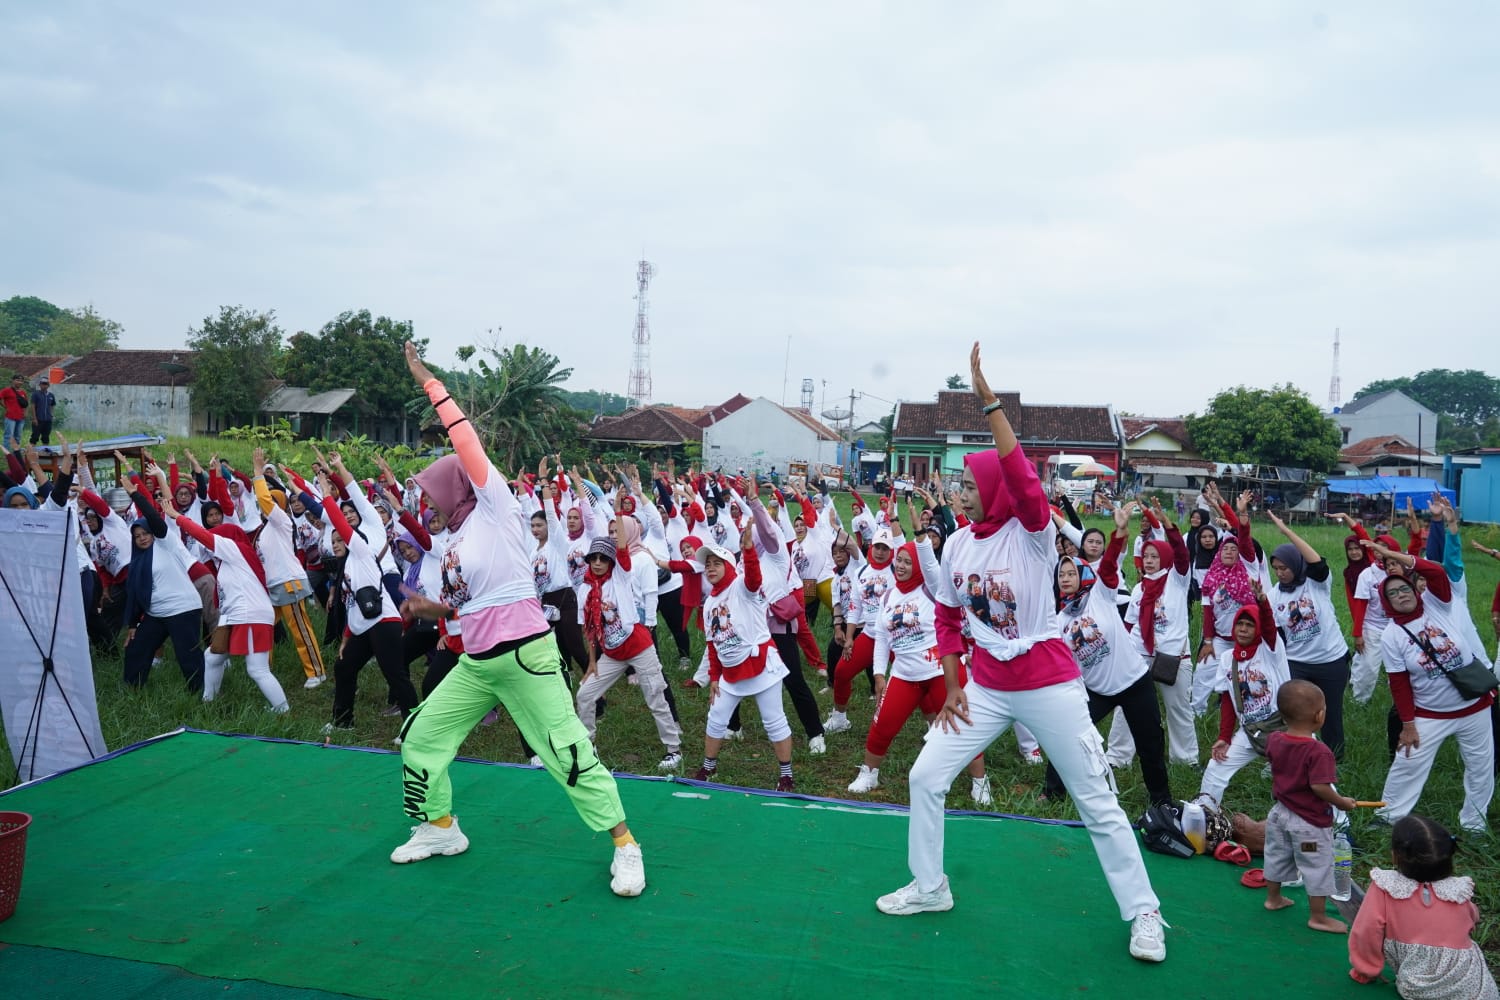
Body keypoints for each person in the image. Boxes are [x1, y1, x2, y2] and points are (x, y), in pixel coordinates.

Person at [875, 343, 1166, 966]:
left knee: (1098, 800)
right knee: (925, 777)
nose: (963, 491)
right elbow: (950, 618)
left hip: (1051, 684)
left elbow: (1020, 473)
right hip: (983, 688)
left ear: (993, 490)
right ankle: (930, 888)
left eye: (971, 484)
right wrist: (953, 684)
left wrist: (988, 402)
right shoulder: (955, 546)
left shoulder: (1031, 533)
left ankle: (1145, 912)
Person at [391, 342, 647, 896]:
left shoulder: (497, 509)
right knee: (420, 739)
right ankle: (440, 828)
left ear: (453, 486)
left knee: (569, 755)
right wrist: (426, 607)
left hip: (528, 658)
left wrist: (428, 382)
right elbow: (468, 604)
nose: (425, 504)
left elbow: (464, 439)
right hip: (477, 663)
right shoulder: (456, 537)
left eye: (428, 493)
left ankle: (626, 847)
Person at [1044, 503, 1172, 810]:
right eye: (1061, 573)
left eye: (1071, 572)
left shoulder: (1100, 593)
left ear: (1083, 574)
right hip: (1096, 690)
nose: (1065, 577)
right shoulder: (1058, 620)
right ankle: (1051, 792)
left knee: (1150, 743)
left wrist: (1120, 531)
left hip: (1134, 682)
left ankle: (1161, 800)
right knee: (1069, 736)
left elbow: (1111, 562)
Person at [847, 537, 992, 805]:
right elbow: (881, 637)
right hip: (904, 673)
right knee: (882, 725)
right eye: (898, 560)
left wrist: (919, 535)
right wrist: (879, 674)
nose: (900, 566)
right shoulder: (889, 595)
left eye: (907, 562)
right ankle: (869, 774)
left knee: (963, 725)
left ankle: (980, 782)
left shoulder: (932, 589)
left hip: (941, 672)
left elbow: (931, 565)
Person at [1369, 540, 1494, 834]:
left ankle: (1475, 824)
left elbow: (1435, 573)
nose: (1400, 595)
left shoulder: (1439, 605)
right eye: (1393, 593)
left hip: (1473, 706)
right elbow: (1399, 684)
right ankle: (1388, 817)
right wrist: (1409, 724)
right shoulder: (1392, 635)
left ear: (1415, 590)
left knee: (1480, 767)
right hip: (1431, 713)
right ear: (1387, 602)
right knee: (1407, 762)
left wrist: (1392, 556)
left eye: (1404, 589)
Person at [1348, 815, 1498, 998]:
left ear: (1395, 855)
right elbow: (1472, 916)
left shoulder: (1386, 887)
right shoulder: (1457, 890)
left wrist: (1366, 970)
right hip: (1473, 985)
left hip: (1421, 987)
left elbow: (1367, 931)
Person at [690, 535, 798, 790]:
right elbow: (712, 645)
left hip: (762, 665)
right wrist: (713, 678)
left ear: (728, 566)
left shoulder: (741, 587)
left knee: (773, 720)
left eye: (717, 563)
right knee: (716, 717)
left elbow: (753, 577)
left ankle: (786, 775)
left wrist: (748, 550)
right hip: (730, 672)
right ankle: (709, 767)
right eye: (707, 565)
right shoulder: (709, 605)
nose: (711, 568)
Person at [1262, 680, 1358, 934]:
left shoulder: (1274, 739)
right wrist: (1342, 803)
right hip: (1308, 827)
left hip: (1279, 816)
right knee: (1316, 864)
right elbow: (1320, 788)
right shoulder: (1319, 752)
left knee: (1277, 854)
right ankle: (1318, 917)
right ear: (1319, 715)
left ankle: (1273, 899)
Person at [1264, 509, 1351, 758]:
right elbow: (1276, 633)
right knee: (1294, 712)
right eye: (1276, 568)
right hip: (1297, 663)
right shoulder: (1274, 595)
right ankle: (1295, 755)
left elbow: (1316, 562)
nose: (1280, 573)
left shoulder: (1317, 584)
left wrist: (1287, 532)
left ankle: (1334, 759)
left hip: (1331, 661)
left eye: (1285, 568)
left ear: (1296, 565)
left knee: (1330, 713)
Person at [1199, 582, 1290, 806]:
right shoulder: (1228, 657)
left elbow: (1269, 626)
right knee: (1215, 768)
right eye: (1239, 624)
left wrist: (1262, 601)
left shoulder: (1270, 650)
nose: (1243, 629)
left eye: (1250, 625)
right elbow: (1229, 700)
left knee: (1309, 776)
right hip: (1250, 730)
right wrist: (1224, 737)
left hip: (1283, 727)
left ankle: (1339, 824)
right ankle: (1204, 817)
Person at [120, 460, 206, 691]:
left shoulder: (166, 543)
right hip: (156, 613)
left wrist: (137, 495)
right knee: (136, 648)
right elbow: (135, 594)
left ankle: (202, 695)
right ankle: (132, 690)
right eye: (137, 536)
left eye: (145, 533)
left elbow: (154, 517)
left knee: (187, 656)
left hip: (182, 608)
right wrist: (133, 624)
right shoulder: (137, 561)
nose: (142, 538)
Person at [1, 373, 28, 453]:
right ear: (13, 381)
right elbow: (0, 398)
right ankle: (6, 452)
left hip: (20, 417)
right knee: (8, 435)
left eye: (21, 381)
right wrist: (6, 407)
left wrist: (25, 413)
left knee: (18, 436)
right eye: (17, 380)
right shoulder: (7, 390)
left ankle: (16, 451)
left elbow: (26, 404)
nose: (19, 382)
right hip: (10, 417)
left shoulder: (23, 392)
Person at [28, 377, 55, 445]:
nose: (44, 385)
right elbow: (32, 406)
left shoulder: (51, 395)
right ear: (40, 385)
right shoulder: (36, 394)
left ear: (48, 385)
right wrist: (34, 418)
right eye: (42, 384)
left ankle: (45, 453)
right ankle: (30, 452)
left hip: (48, 420)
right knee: (34, 437)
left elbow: (52, 405)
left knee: (46, 437)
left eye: (46, 384)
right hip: (38, 419)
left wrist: (51, 415)